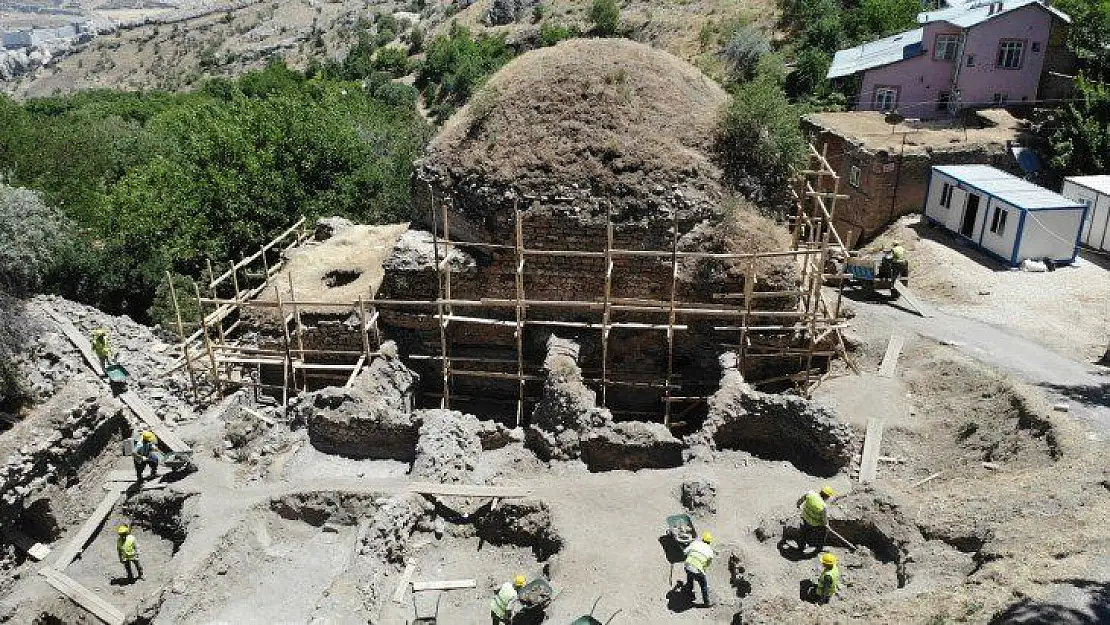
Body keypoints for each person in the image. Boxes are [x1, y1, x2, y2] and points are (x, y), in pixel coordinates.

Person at [796, 485, 835, 554]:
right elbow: (824, 521)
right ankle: (819, 547)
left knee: (804, 532)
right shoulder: (823, 506)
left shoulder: (810, 493)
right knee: (824, 532)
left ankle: (801, 547)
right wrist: (827, 526)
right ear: (827, 497)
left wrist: (798, 504)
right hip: (814, 524)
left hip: (805, 517)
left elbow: (800, 500)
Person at [683, 531, 715, 607]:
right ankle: (706, 603)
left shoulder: (695, 543)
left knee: (690, 575)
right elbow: (707, 564)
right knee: (703, 586)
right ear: (710, 542)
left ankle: (689, 591)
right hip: (697, 570)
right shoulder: (710, 552)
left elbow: (685, 552)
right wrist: (702, 570)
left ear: (702, 539)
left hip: (687, 565)